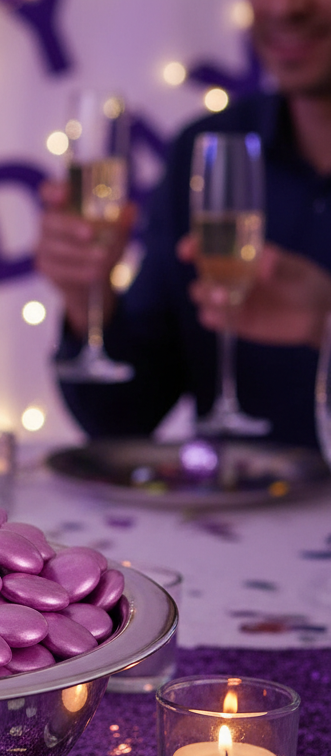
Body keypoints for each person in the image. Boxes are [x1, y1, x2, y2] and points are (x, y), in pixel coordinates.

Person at [35, 0, 331, 449]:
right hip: (234, 510)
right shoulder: (206, 148)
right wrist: (88, 299)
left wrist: (324, 324)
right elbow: (125, 418)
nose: (286, 7)